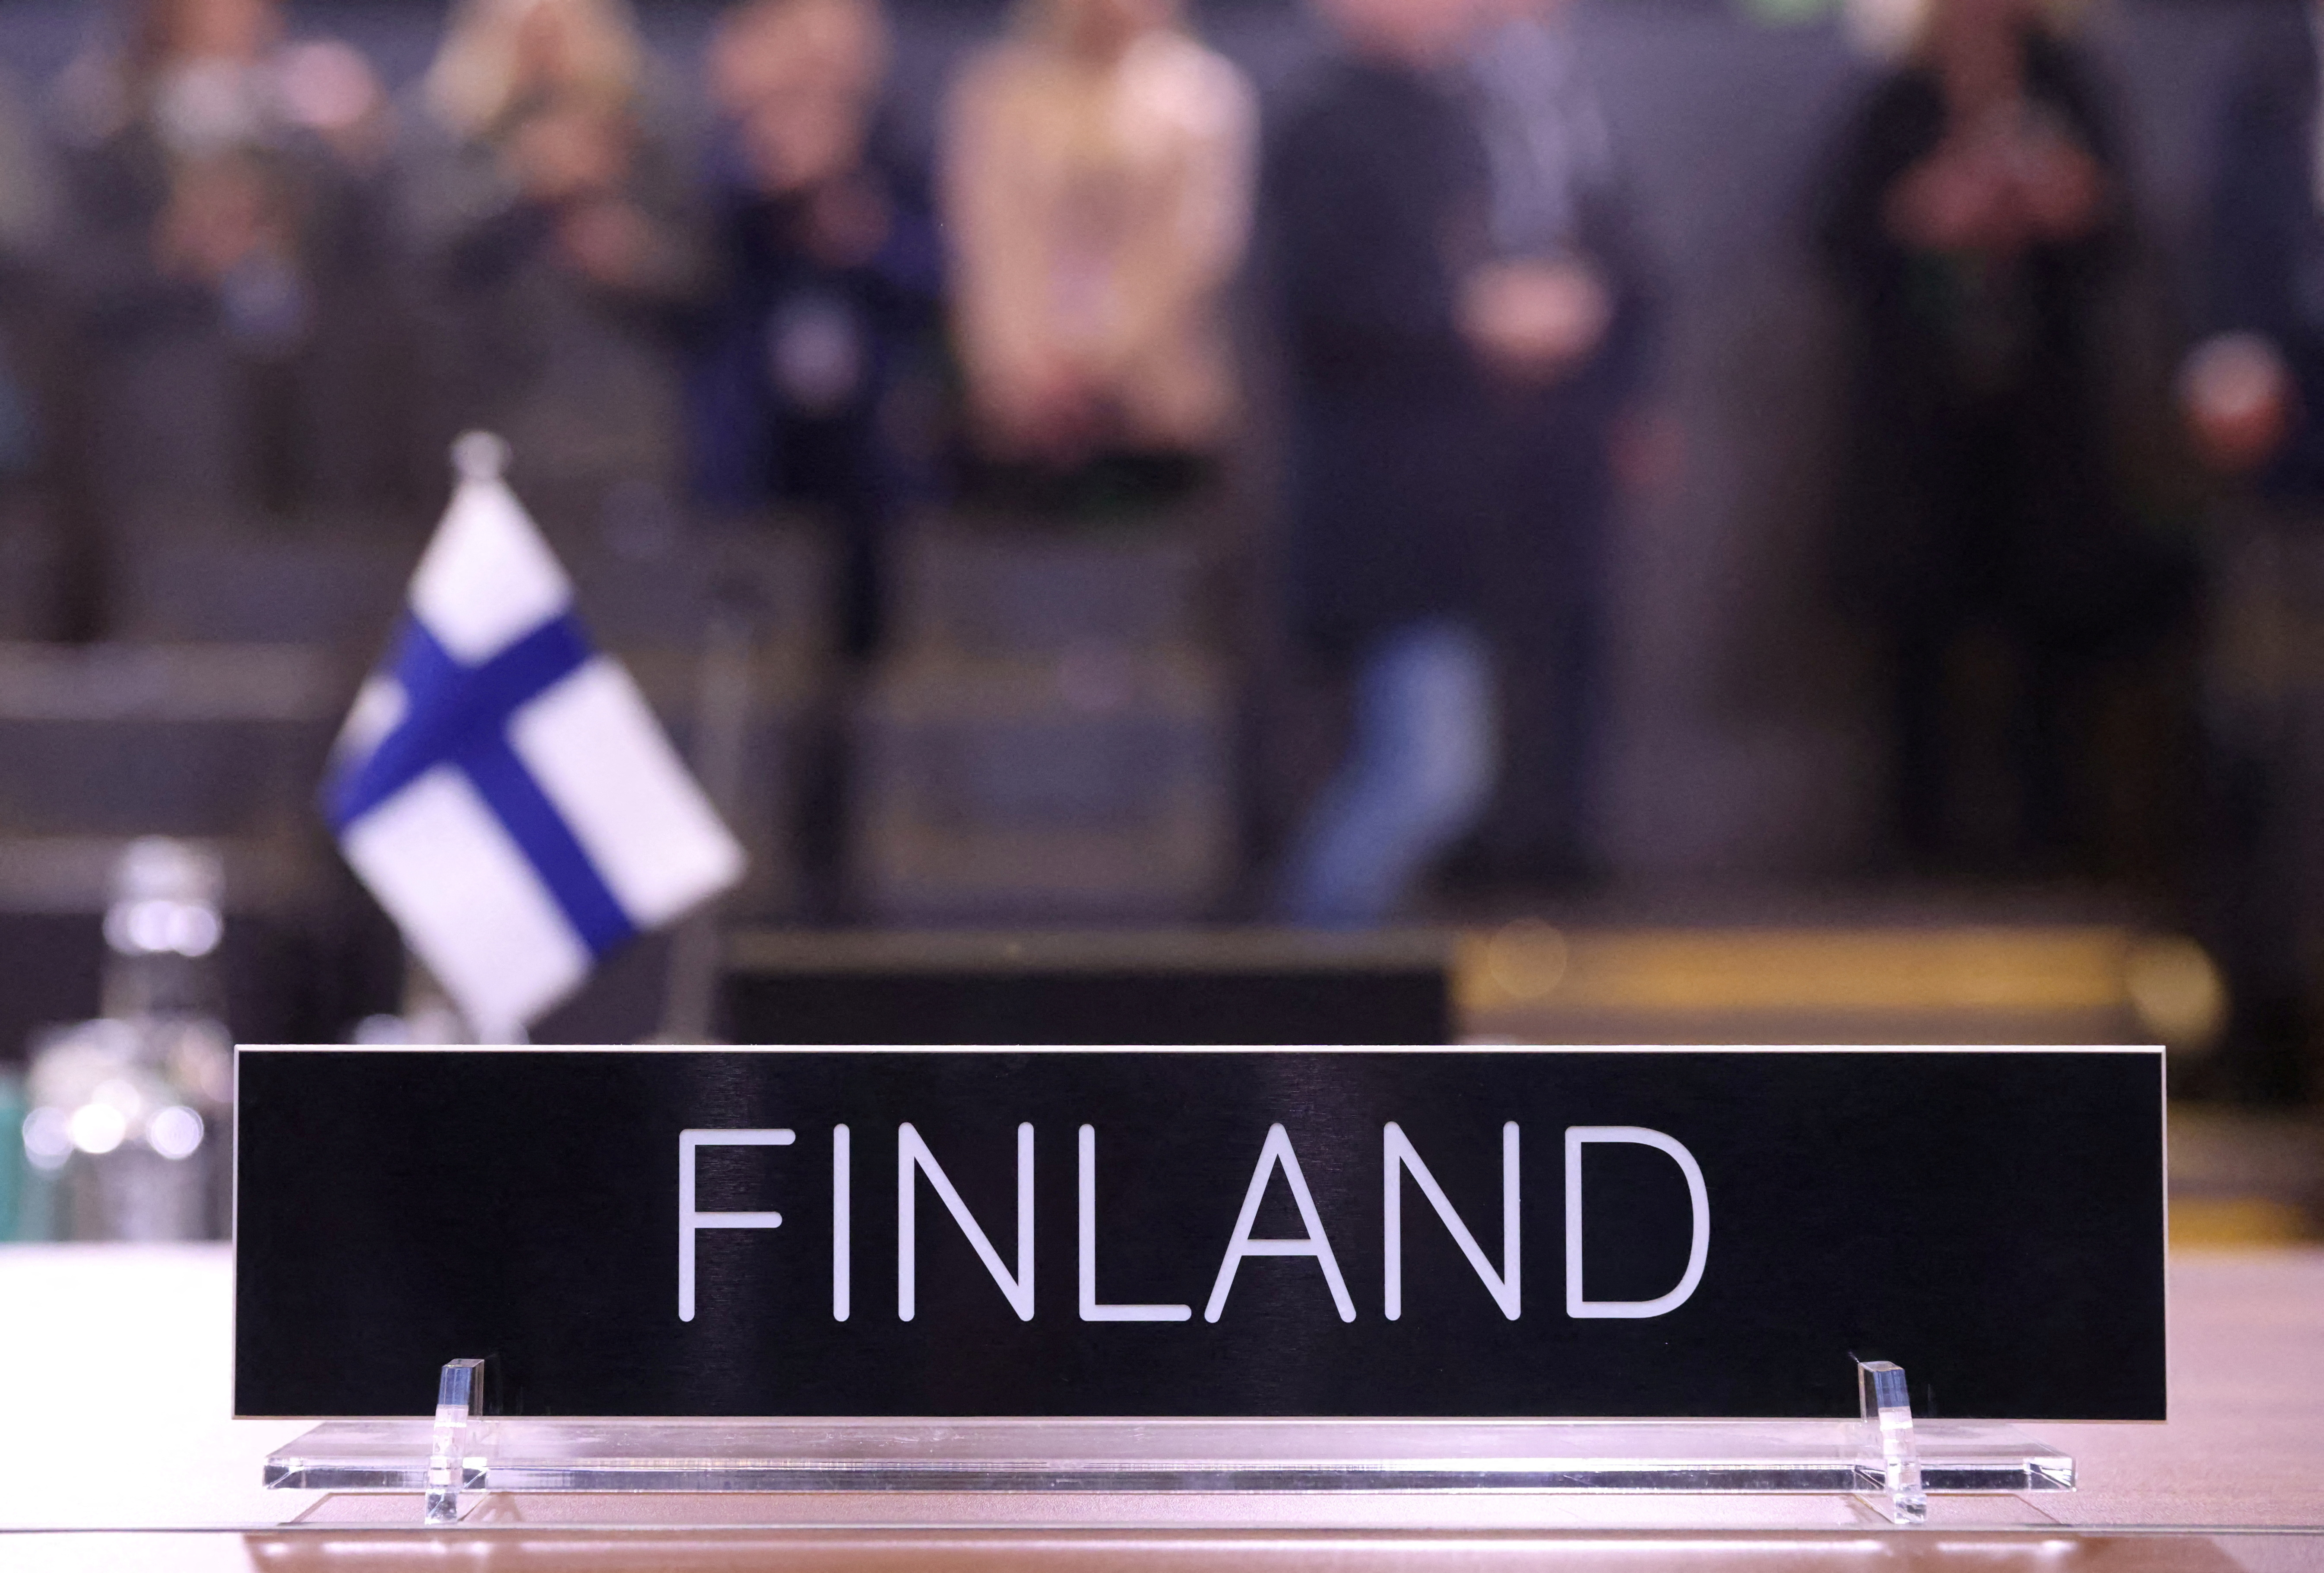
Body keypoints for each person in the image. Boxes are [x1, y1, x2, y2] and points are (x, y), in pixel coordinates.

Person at [1814, 0, 2185, 875]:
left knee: (2052, 627)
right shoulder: (1897, 101)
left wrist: (2068, 204)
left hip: (2041, 411)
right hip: (1923, 416)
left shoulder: (2069, 88)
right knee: (1918, 634)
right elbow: (1834, 237)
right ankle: (1917, 841)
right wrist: (1923, 212)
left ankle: (2051, 835)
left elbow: (2125, 235)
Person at [1267, 0, 1543, 925]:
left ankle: (1325, 1010)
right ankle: (1307, 1001)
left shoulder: (1455, 112)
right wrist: (1474, 316)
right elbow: (1329, 300)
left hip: (1445, 504)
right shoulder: (1327, 125)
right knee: (1432, 772)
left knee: (1427, 769)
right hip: (1378, 503)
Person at [47, 0, 405, 532]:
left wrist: (355, 153)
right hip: (173, 422)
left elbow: (372, 263)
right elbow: (63, 281)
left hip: (304, 418)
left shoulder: (305, 120)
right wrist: (174, 251)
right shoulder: (100, 123)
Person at [1460, 0, 1658, 887]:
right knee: (1473, 636)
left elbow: (1636, 267)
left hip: (1575, 415)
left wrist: (1635, 400)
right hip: (1465, 415)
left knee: (1579, 630)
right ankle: (1484, 834)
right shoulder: (1439, 101)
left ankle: (1566, 835)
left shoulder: (1585, 109)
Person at [691, 0, 942, 659]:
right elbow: (694, 272)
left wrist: (867, 234)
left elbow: (943, 275)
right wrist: (773, 177)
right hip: (752, 441)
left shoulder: (896, 148)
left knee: (875, 626)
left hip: (872, 443)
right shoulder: (726, 151)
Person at [938, 0, 1256, 519]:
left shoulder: (1203, 97)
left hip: (1159, 408)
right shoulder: (998, 91)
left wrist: (1096, 361)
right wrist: (1034, 371)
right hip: (1021, 413)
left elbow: (1192, 248)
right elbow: (990, 243)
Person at [402, 0, 711, 530]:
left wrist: (634, 256)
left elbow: (707, 275)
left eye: (560, 29)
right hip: (491, 420)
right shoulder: (449, 132)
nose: (545, 51)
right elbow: (420, 254)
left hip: (625, 430)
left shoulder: (649, 132)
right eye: (527, 32)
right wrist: (522, 179)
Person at [2177, 0, 2324, 1101]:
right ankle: (2263, 1021)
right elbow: (2225, 247)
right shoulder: (2268, 71)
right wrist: (2222, 359)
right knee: (2264, 746)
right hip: (2286, 482)